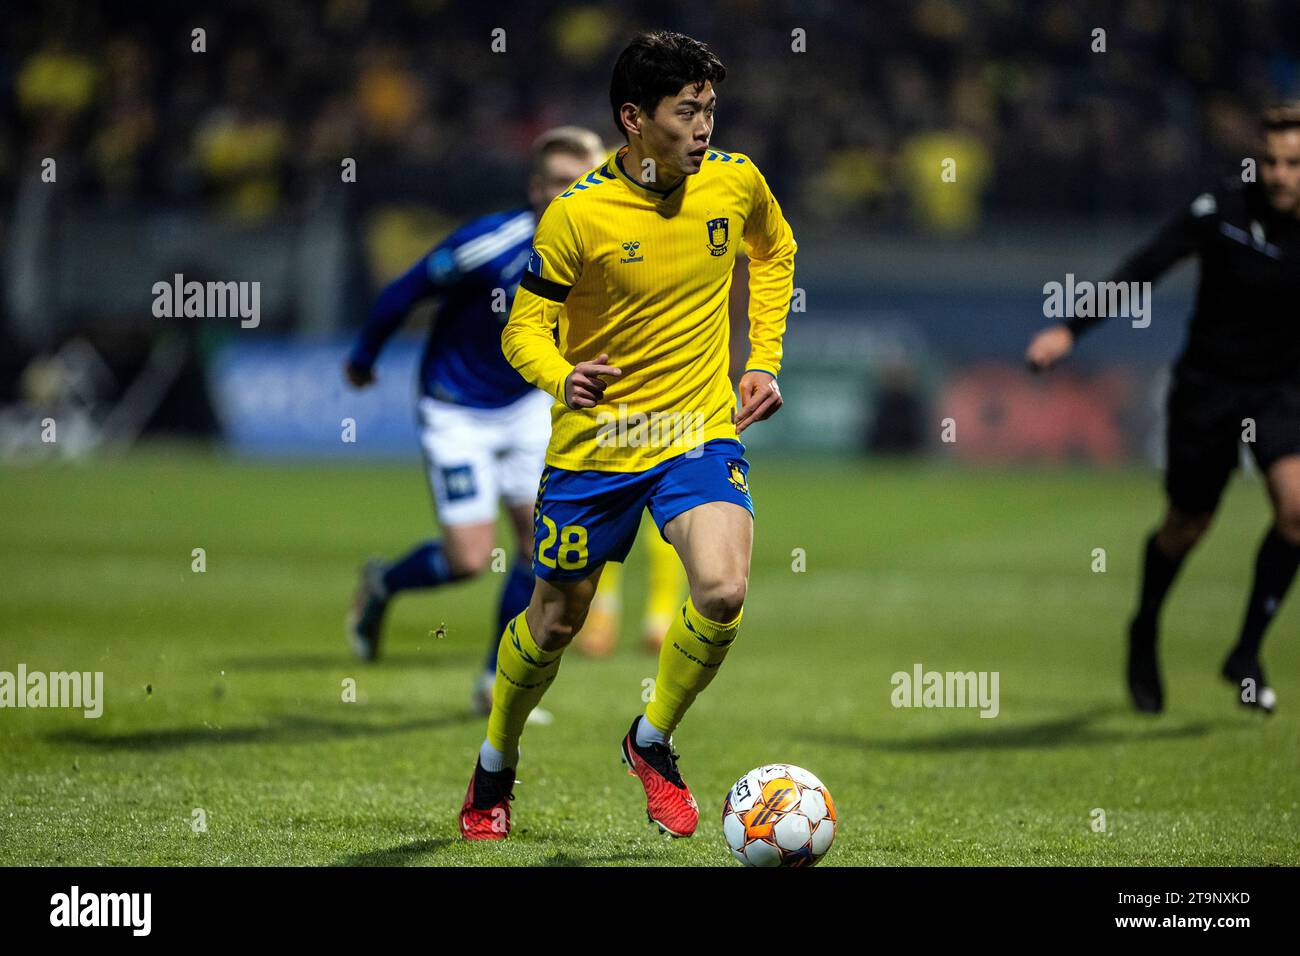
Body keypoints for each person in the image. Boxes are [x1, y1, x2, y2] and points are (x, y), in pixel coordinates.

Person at [459, 31, 797, 840]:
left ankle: (651, 741)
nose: (705, 126)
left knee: (721, 589)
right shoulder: (578, 215)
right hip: (597, 448)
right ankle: (496, 760)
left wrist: (765, 358)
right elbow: (525, 328)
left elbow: (775, 251)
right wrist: (557, 376)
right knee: (554, 626)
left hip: (696, 431)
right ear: (633, 119)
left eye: (711, 108)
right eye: (688, 112)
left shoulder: (736, 183)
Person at [1026, 103, 1300, 715]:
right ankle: (1145, 625)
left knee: (1296, 510)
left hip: (1281, 390)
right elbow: (1145, 267)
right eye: (1272, 161)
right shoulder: (1221, 209)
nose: (1281, 175)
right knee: (1187, 526)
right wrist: (1071, 330)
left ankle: (1246, 652)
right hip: (1208, 388)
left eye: (1294, 164)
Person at [344, 127, 606, 716]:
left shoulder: (602, 249)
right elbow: (403, 291)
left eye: (582, 180)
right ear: (536, 187)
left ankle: (495, 680)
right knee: (468, 559)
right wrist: (364, 358)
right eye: (559, 182)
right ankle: (383, 583)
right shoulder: (489, 244)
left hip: (526, 407)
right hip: (455, 405)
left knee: (538, 547)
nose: (571, 192)